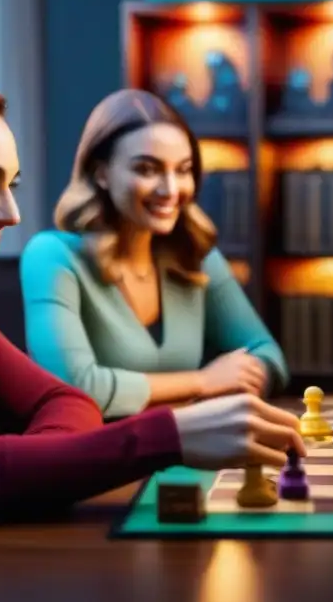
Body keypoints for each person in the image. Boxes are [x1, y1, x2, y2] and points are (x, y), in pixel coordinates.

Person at [0, 67, 304, 517]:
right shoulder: (52, 256)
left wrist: (38, 467)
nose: (11, 213)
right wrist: (170, 436)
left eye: (10, 184)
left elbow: (64, 402)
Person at [19, 89, 287, 419]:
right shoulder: (52, 256)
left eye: (183, 169)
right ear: (101, 173)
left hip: (190, 456)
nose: (170, 190)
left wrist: (238, 380)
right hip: (99, 465)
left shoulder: (197, 257)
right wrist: (202, 382)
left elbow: (269, 356)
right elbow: (76, 388)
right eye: (147, 169)